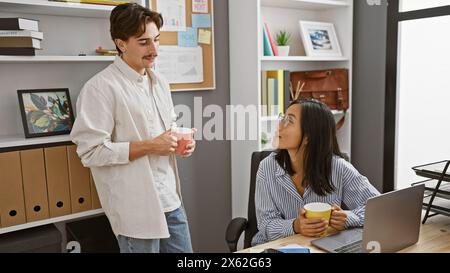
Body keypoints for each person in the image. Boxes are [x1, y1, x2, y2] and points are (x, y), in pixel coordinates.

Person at [70, 3, 195, 253]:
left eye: (157, 40)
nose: (154, 50)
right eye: (144, 42)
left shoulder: (160, 83)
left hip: (170, 200)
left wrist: (180, 143)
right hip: (136, 209)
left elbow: (165, 130)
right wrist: (151, 146)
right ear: (121, 43)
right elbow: (90, 152)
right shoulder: (100, 89)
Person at [252, 98, 380, 246]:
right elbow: (265, 224)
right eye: (282, 118)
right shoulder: (267, 167)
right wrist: (295, 226)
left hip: (321, 246)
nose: (279, 126)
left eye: (289, 121)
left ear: (308, 136)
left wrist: (348, 217)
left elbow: (378, 209)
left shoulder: (338, 168)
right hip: (274, 247)